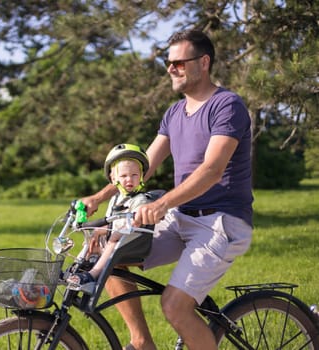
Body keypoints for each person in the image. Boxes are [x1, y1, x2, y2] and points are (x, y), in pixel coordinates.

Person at [82, 29, 253, 350]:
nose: (171, 69)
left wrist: (162, 205)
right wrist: (99, 197)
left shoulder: (227, 105)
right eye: (168, 63)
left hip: (222, 222)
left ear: (204, 62)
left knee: (174, 306)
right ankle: (142, 341)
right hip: (182, 216)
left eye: (179, 62)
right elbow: (142, 166)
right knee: (115, 256)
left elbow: (212, 170)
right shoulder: (174, 113)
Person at [67, 144, 151, 288]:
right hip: (119, 238)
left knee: (113, 238)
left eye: (134, 175)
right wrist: (99, 230)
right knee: (91, 239)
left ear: (141, 176)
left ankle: (92, 274)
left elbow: (136, 222)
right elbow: (110, 221)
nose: (129, 180)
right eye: (124, 176)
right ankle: (77, 268)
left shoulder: (140, 200)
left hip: (133, 241)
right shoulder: (116, 199)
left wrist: (110, 231)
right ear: (114, 178)